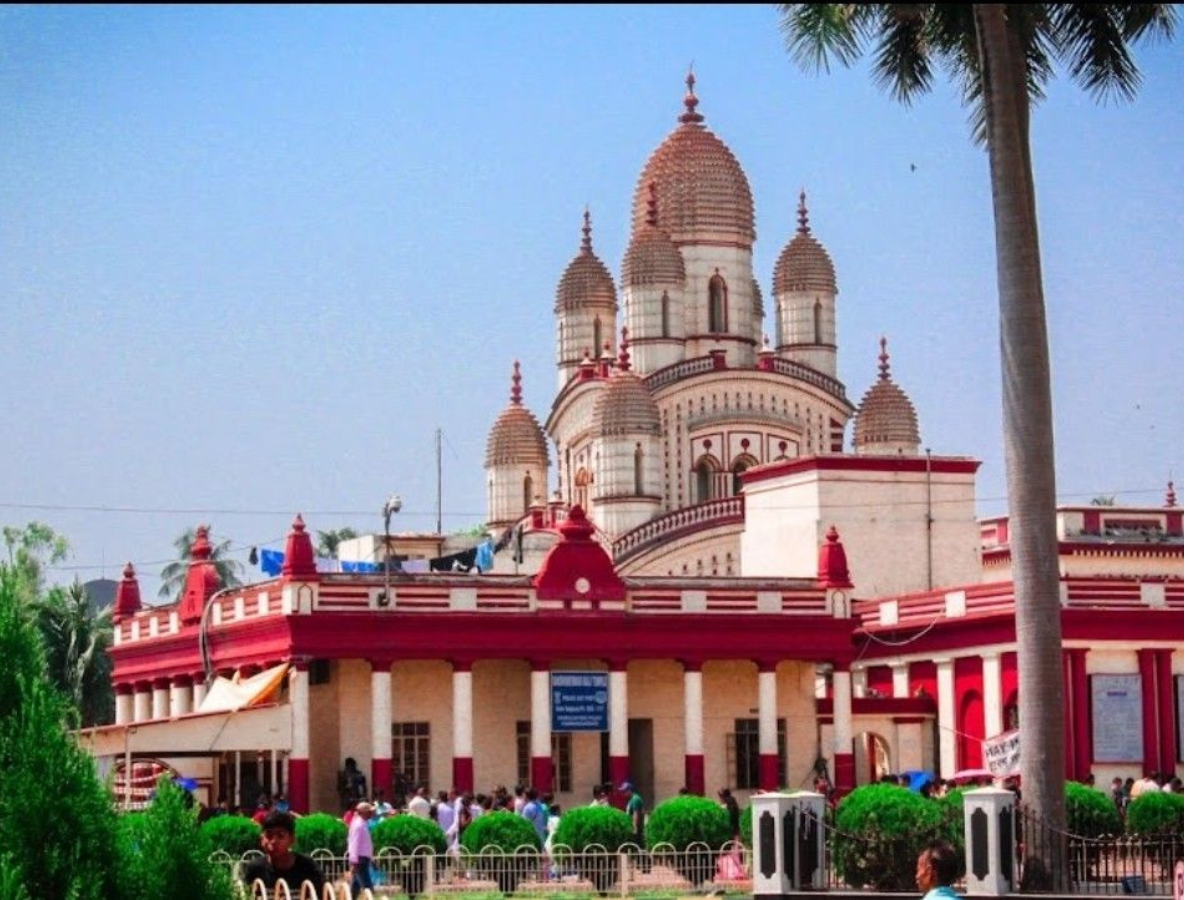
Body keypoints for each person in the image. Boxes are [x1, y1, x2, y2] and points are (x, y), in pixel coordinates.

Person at [242, 810, 328, 895]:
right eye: (269, 836)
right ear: (261, 840)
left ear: (292, 840)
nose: (273, 841)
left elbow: (325, 895)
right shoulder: (255, 869)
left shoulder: (308, 867)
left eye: (280, 836)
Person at [348, 800, 375, 897]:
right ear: (364, 812)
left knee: (355, 887)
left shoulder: (362, 823)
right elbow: (354, 843)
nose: (372, 813)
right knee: (368, 887)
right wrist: (354, 861)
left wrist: (371, 858)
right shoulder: (358, 825)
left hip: (362, 859)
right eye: (369, 811)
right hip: (360, 860)